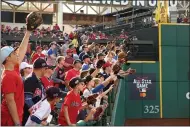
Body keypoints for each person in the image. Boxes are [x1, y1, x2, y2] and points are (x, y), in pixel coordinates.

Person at [1, 27, 31, 126]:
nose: (16, 54)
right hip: (10, 119)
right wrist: (17, 123)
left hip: (15, 116)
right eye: (14, 53)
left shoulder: (13, 69)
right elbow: (10, 102)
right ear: (8, 58)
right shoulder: (8, 76)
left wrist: (28, 32)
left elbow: (21, 50)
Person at [22, 58, 48, 125]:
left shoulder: (39, 80)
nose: (46, 70)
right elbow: (27, 99)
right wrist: (36, 112)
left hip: (35, 116)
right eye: (45, 68)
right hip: (29, 117)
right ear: (42, 69)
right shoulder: (30, 79)